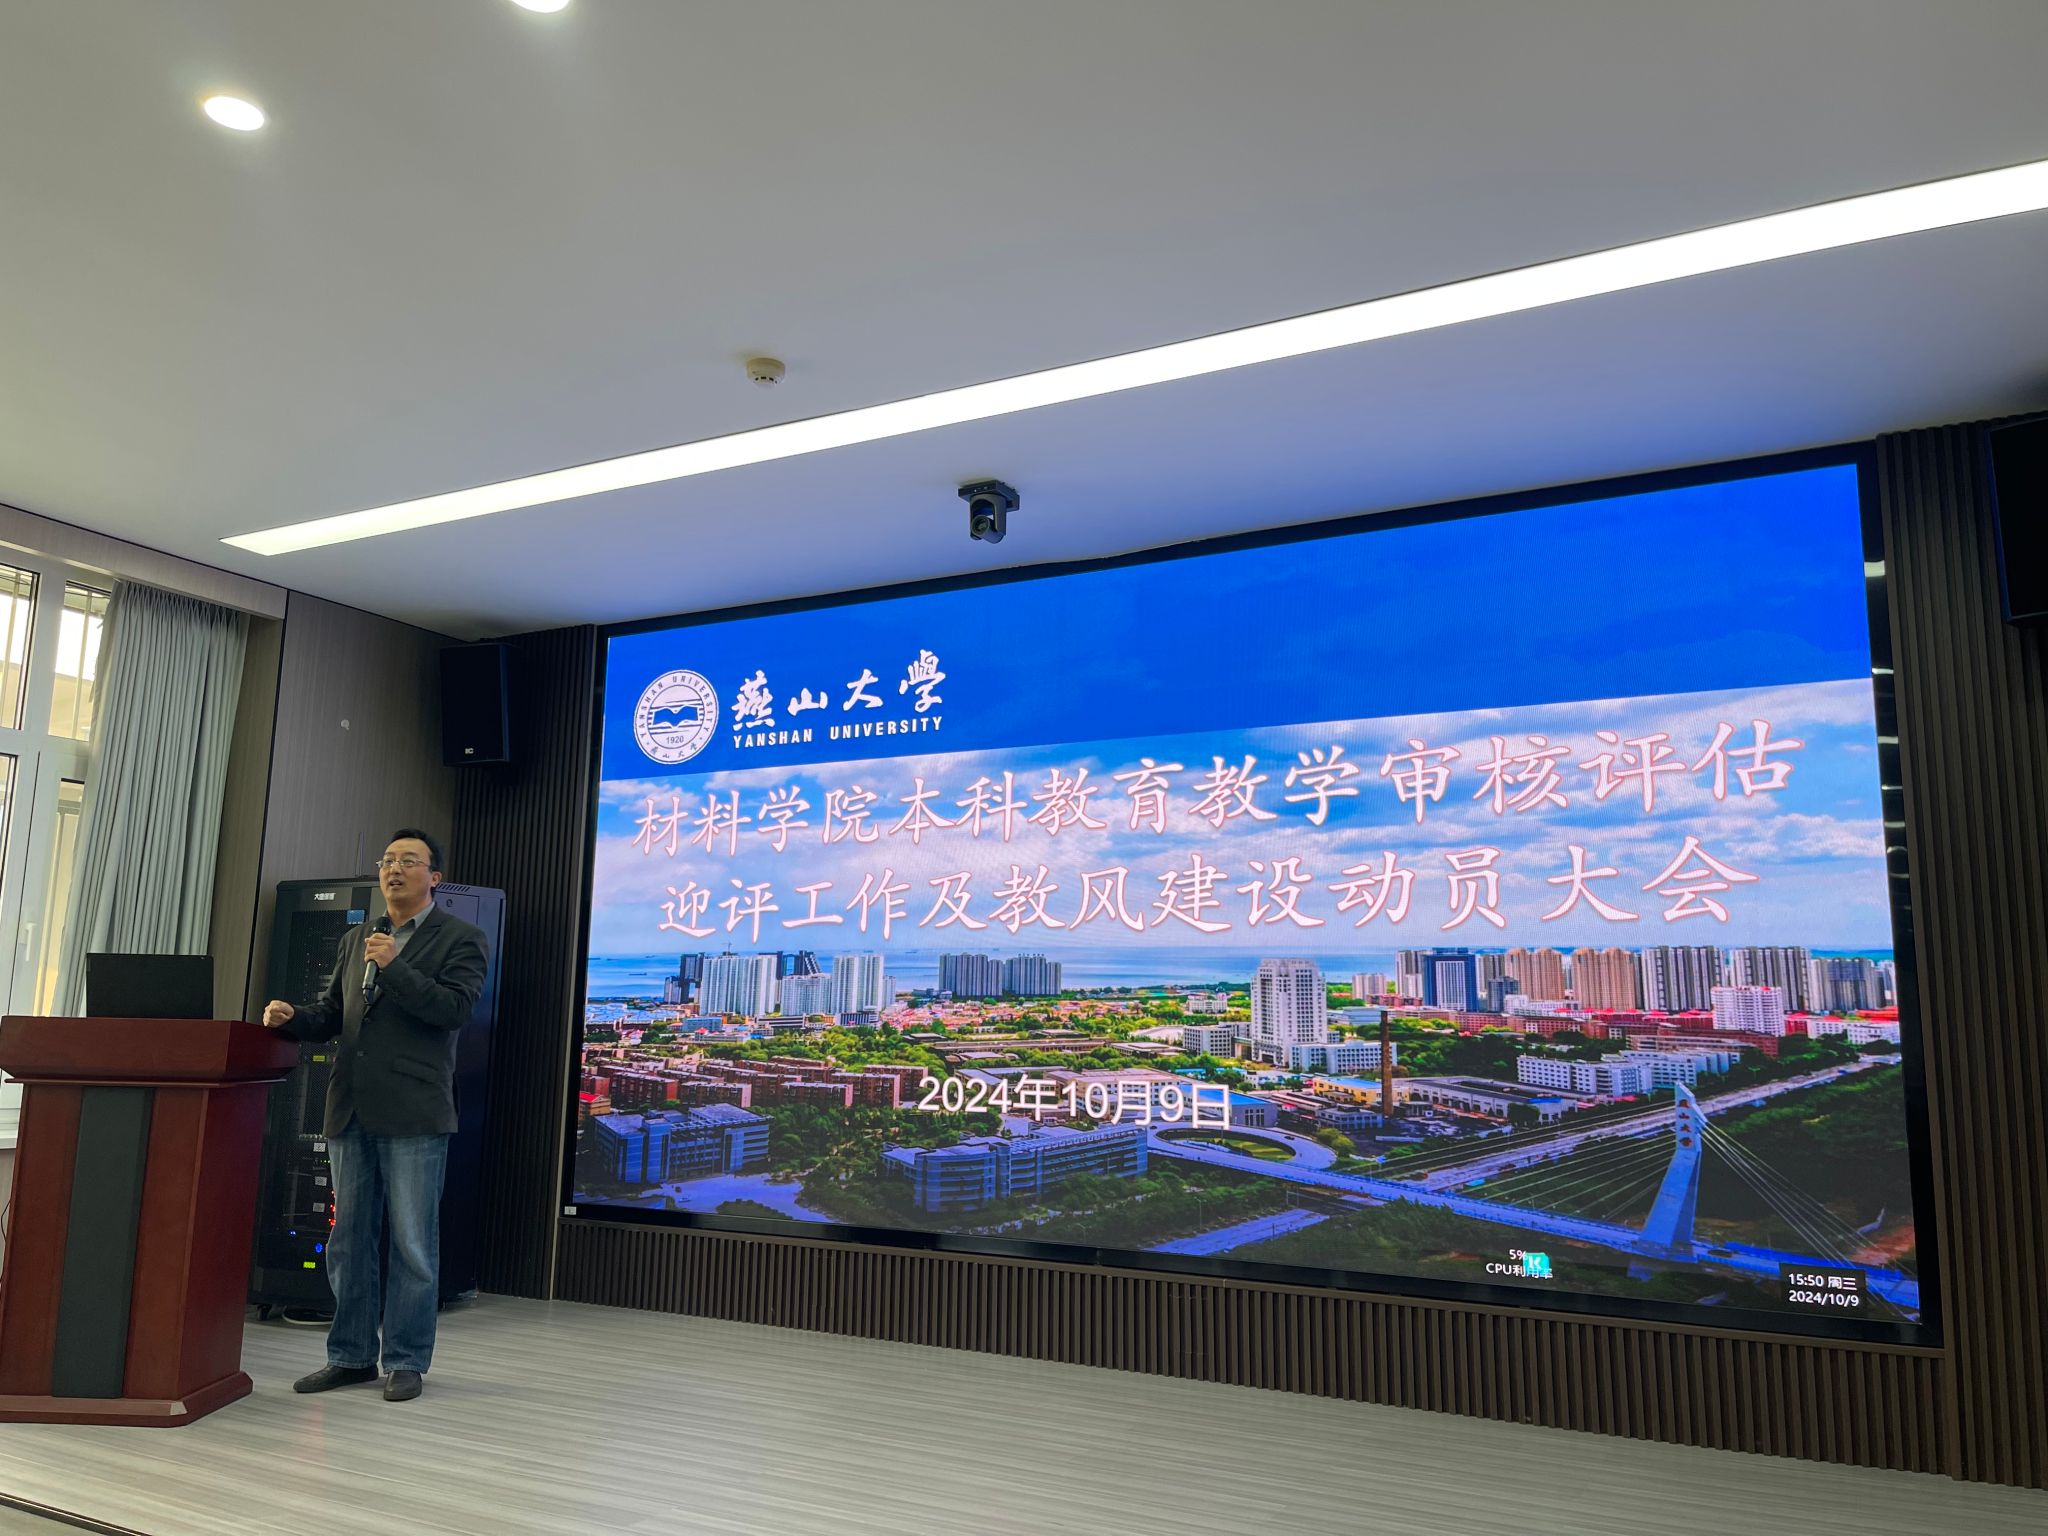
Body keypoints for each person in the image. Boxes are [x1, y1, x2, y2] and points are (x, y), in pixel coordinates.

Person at [262, 829, 488, 1403]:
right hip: (351, 1106)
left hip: (415, 1110)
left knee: (413, 1244)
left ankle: (406, 1360)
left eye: (409, 860)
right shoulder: (358, 937)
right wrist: (294, 1017)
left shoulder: (461, 938)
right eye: (388, 860)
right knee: (348, 1240)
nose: (394, 869)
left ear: (434, 877)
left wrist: (395, 967)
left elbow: (453, 1010)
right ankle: (351, 1356)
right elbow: (334, 1014)